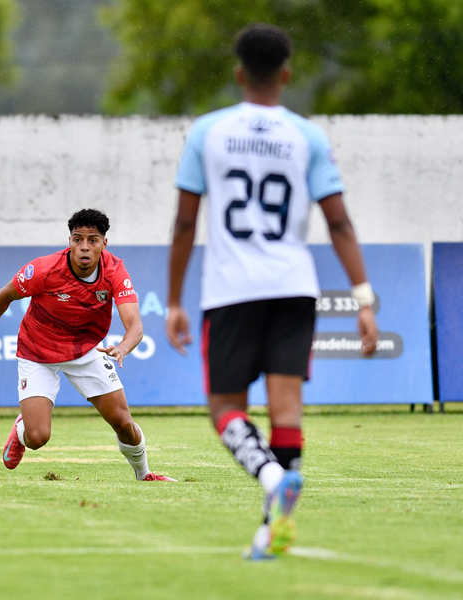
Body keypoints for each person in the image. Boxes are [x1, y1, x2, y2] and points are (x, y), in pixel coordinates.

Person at [166, 24, 378, 559]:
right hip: (293, 287)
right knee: (287, 410)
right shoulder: (306, 136)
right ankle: (273, 529)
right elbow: (340, 224)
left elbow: (186, 225)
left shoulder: (208, 132)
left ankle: (267, 478)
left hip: (232, 291)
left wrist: (172, 300)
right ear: (286, 74)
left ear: (239, 73)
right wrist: (363, 297)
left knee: (223, 407)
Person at [0, 208, 175, 482]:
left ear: (104, 243)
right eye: (77, 239)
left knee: (123, 422)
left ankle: (144, 475)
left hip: (85, 351)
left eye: (92, 240)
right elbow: (4, 296)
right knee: (37, 437)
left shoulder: (115, 270)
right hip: (37, 353)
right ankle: (21, 431)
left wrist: (123, 347)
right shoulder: (43, 270)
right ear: (69, 240)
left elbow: (135, 326)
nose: (84, 247)